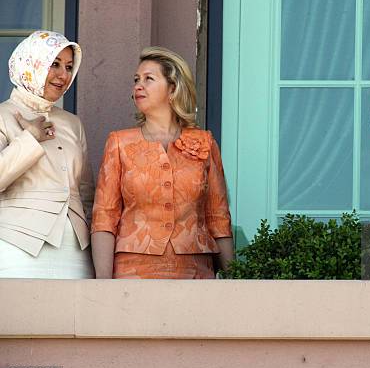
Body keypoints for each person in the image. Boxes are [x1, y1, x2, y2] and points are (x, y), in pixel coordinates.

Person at [91, 47, 234, 279]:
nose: (138, 85)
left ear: (173, 88)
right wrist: (104, 283)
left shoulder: (204, 142)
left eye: (149, 79)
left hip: (194, 271)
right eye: (136, 80)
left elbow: (218, 217)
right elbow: (104, 218)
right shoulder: (119, 143)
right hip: (132, 271)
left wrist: (234, 278)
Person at [0, 30, 94, 278]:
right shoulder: (3, 115)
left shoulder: (73, 124)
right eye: (55, 64)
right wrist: (29, 139)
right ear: (31, 63)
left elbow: (86, 194)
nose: (63, 75)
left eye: (69, 66)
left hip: (75, 250)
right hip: (16, 244)